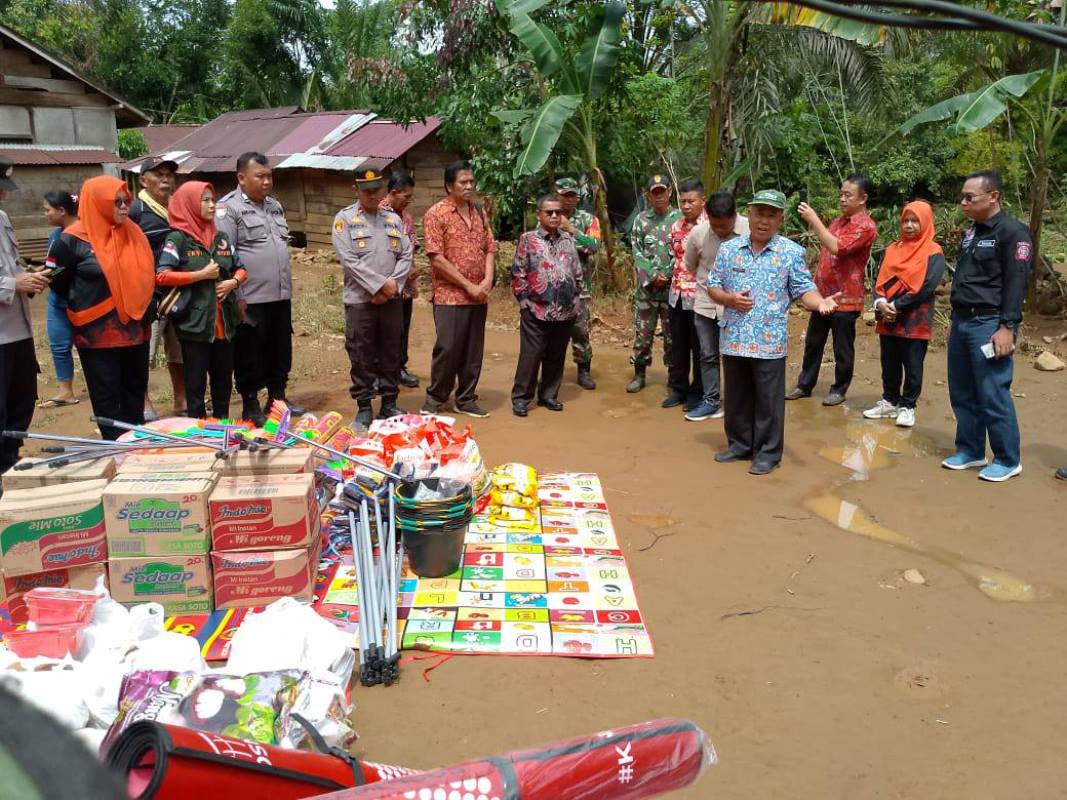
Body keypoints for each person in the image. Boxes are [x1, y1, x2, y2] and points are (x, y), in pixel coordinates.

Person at [708, 189, 839, 475]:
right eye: (759, 214)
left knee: (768, 400)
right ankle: (740, 445)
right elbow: (713, 285)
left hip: (769, 341)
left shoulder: (791, 252)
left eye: (771, 215)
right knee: (737, 396)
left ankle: (768, 453)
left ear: (780, 219)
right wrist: (729, 299)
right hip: (734, 338)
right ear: (749, 214)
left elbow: (804, 289)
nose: (764, 221)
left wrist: (821, 303)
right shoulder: (729, 249)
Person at [48, 176, 155, 441]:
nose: (123, 207)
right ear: (96, 203)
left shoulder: (134, 233)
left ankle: (134, 449)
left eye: (125, 201)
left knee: (134, 392)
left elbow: (146, 276)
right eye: (116, 202)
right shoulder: (70, 240)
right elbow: (59, 284)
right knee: (107, 397)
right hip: (96, 333)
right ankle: (114, 450)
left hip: (134, 329)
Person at [943, 170, 1031, 482]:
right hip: (963, 321)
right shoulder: (972, 232)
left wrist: (1007, 326)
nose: (963, 202)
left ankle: (1008, 459)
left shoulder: (1013, 233)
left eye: (970, 197)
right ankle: (970, 450)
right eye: (962, 197)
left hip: (990, 321)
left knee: (992, 391)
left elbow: (1016, 283)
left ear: (992, 196)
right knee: (963, 390)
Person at [217, 152, 303, 426]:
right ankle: (250, 404)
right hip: (249, 297)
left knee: (280, 349)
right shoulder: (228, 209)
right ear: (241, 178)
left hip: (279, 294)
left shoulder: (274, 206)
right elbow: (226, 255)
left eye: (269, 176)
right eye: (260, 176)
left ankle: (277, 398)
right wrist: (237, 296)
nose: (267, 182)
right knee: (249, 353)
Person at [155, 182, 247, 420]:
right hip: (195, 325)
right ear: (189, 204)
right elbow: (162, 275)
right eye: (204, 200)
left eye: (213, 199)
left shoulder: (222, 238)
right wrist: (200, 275)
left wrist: (233, 283)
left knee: (223, 382)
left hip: (224, 325)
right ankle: (199, 432)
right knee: (195, 384)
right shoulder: (178, 239)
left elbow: (241, 269)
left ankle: (222, 426)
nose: (211, 204)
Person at [787, 174, 878, 406]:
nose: (843, 199)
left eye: (848, 195)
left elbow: (837, 247)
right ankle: (804, 385)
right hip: (822, 296)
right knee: (813, 343)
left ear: (863, 198)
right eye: (841, 194)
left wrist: (814, 220)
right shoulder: (838, 222)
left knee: (842, 347)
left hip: (846, 298)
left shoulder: (866, 226)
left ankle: (839, 388)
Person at [333, 168, 413, 429]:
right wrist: (379, 286)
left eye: (376, 189)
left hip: (391, 300)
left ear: (382, 190)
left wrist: (394, 286)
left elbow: (406, 254)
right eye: (365, 190)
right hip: (360, 300)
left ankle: (389, 403)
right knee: (361, 354)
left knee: (391, 351)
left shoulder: (393, 219)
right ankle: (365, 406)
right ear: (355, 190)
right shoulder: (344, 220)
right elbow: (349, 260)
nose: (371, 194)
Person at [420, 159, 497, 418]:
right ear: (448, 186)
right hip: (450, 294)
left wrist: (486, 281)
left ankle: (465, 398)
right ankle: (435, 399)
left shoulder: (479, 212)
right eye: (463, 182)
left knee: (473, 350)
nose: (469, 186)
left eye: (471, 181)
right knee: (448, 348)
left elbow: (490, 248)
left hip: (478, 295)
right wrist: (467, 285)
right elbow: (436, 257)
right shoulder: (436, 213)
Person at [863, 201, 946, 428]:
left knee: (912, 363)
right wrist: (880, 303)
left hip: (914, 318)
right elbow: (878, 281)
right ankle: (889, 401)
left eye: (914, 221)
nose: (909, 225)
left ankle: (908, 405)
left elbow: (927, 287)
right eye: (906, 220)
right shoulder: (892, 249)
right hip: (887, 315)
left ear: (925, 222)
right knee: (889, 361)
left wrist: (896, 306)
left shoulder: (933, 252)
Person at [510, 195, 583, 417]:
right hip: (536, 310)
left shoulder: (569, 240)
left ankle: (549, 395)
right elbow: (518, 273)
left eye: (558, 212)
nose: (554, 216)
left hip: (565, 311)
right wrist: (524, 303)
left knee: (556, 354)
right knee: (531, 355)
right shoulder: (528, 239)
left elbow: (577, 271)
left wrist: (576, 299)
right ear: (539, 214)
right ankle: (522, 398)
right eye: (549, 212)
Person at [683, 191, 749, 422]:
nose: (720, 230)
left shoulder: (751, 231)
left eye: (725, 225)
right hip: (705, 304)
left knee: (738, 356)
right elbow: (691, 265)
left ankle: (737, 402)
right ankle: (711, 401)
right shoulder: (698, 234)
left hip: (740, 306)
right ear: (707, 216)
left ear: (735, 216)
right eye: (715, 225)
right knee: (708, 355)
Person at [129, 156, 184, 420]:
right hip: (147, 297)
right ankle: (144, 401)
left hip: (178, 292)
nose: (165, 179)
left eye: (169, 175)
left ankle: (181, 401)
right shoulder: (135, 212)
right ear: (143, 180)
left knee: (179, 351)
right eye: (158, 174)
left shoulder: (178, 210)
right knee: (144, 353)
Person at [0, 158, 46, 476]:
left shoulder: (2, 217)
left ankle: (11, 457)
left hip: (19, 327)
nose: (4, 195)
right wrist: (13, 284)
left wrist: (30, 279)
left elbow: (12, 265)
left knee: (23, 395)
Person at [626, 173, 680, 393]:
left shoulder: (679, 219)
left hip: (672, 288)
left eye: (662, 191)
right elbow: (637, 251)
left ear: (669, 192)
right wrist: (652, 275)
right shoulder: (641, 220)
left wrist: (666, 275)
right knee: (643, 333)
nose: (658, 196)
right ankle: (639, 375)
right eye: (654, 192)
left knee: (672, 335)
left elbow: (684, 250)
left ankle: (673, 378)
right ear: (647, 195)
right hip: (647, 289)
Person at [665, 178, 709, 411]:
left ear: (703, 201)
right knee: (678, 345)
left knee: (699, 346)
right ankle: (678, 389)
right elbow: (675, 257)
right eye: (682, 201)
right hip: (677, 295)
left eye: (691, 201)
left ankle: (697, 392)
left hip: (700, 297)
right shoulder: (676, 227)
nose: (686, 206)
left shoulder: (711, 227)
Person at [554, 177, 601, 390]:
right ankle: (552, 374)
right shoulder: (548, 217)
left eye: (572, 195)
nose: (568, 200)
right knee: (552, 333)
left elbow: (593, 246)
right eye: (565, 196)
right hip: (552, 289)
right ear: (557, 196)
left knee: (581, 331)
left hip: (579, 288)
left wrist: (572, 230)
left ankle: (584, 370)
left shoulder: (588, 219)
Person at [380, 172, 421, 389]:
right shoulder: (377, 214)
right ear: (393, 193)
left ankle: (399, 368)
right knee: (386, 329)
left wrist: (411, 267)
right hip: (386, 283)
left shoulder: (406, 216)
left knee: (403, 326)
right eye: (406, 196)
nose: (408, 201)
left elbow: (412, 242)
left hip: (406, 284)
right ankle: (382, 372)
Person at [40, 190, 79, 408]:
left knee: (90, 347)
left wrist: (47, 275)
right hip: (58, 300)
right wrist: (42, 273)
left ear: (62, 211)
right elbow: (53, 267)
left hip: (82, 302)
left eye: (48, 210)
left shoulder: (86, 235)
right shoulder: (55, 236)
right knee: (59, 345)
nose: (45, 214)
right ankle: (65, 391)